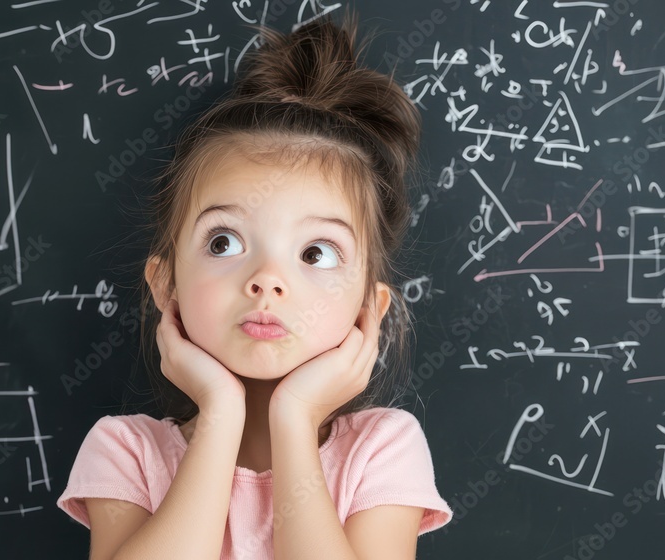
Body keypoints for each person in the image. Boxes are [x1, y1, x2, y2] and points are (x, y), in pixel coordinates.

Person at [57, 10, 453, 560]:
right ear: (164, 282)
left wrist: (296, 419)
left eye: (316, 253)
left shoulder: (382, 451)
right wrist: (220, 413)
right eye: (224, 243)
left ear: (370, 307)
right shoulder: (127, 452)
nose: (267, 280)